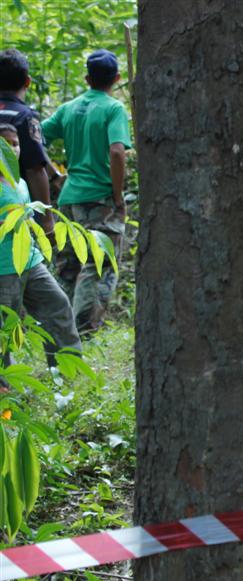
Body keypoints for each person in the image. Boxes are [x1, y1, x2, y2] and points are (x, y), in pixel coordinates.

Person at [42, 49, 132, 333]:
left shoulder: (68, 109)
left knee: (67, 268)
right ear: (117, 78)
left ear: (87, 78)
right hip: (100, 199)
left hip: (69, 199)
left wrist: (53, 175)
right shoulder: (114, 109)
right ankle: (82, 332)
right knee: (100, 265)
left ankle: (59, 332)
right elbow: (117, 152)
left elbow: (33, 137)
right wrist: (117, 196)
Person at [0, 123, 81, 372]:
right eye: (5, 144)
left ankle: (67, 368)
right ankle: (5, 381)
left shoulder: (20, 183)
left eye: (15, 143)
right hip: (4, 268)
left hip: (30, 260)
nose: (12, 149)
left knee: (57, 304)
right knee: (5, 328)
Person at [0, 49, 55, 236]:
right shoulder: (25, 116)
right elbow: (35, 168)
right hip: (16, 203)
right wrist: (47, 219)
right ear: (27, 82)